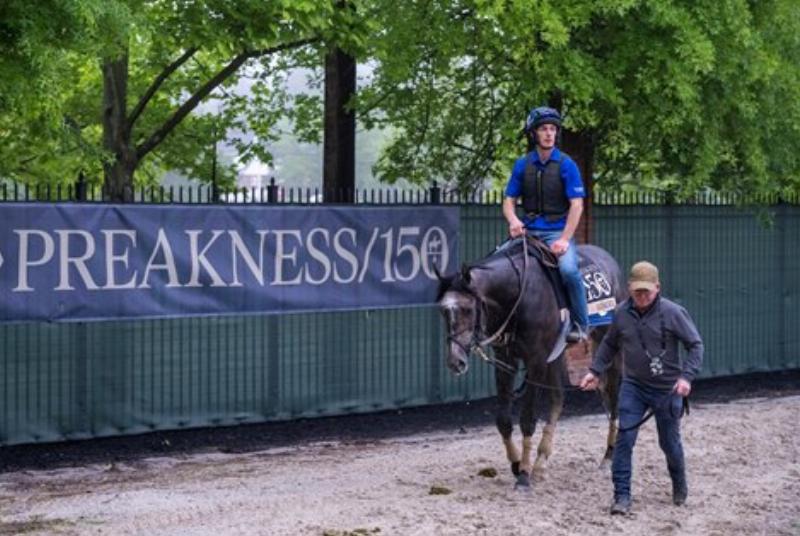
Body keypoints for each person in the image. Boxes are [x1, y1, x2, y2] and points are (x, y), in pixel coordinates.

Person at [579, 261, 704, 515]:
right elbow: (609, 344)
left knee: (669, 443)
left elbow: (696, 345)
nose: (642, 296)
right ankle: (621, 497)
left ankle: (679, 484)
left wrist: (686, 377)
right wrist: (595, 371)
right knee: (624, 438)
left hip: (667, 389)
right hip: (633, 386)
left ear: (658, 288)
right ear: (629, 289)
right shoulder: (621, 313)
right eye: (637, 291)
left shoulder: (673, 313)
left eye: (647, 291)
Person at [502, 106, 588, 342]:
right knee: (499, 263)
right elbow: (508, 201)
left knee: (569, 272)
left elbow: (577, 206)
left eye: (552, 129)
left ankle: (581, 325)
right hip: (528, 233)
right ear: (534, 134)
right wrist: (513, 221)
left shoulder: (567, 165)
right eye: (543, 129)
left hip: (556, 233)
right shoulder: (522, 165)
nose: (549, 133)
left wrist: (563, 239)